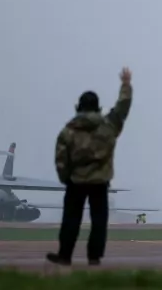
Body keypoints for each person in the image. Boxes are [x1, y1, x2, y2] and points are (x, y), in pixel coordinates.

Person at [46, 67, 133, 266]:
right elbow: (122, 108)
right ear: (98, 108)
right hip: (100, 181)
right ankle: (94, 257)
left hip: (75, 181)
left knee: (70, 220)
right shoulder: (108, 126)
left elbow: (61, 159)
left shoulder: (68, 132)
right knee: (99, 221)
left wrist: (65, 178)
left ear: (78, 107)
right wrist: (126, 85)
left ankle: (65, 255)